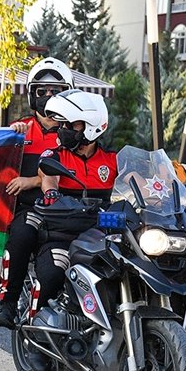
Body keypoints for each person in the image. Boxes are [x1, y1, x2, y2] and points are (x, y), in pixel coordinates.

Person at [0, 57, 75, 329]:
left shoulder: (79, 131)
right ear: (31, 94)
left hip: (69, 210)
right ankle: (8, 302)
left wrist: (31, 180)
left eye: (56, 91)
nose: (48, 97)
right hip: (29, 210)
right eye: (42, 91)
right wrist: (9, 138)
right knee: (21, 235)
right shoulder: (20, 129)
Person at [27, 90, 117, 311]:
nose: (63, 130)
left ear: (91, 127)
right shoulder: (54, 155)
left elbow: (139, 180)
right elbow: (49, 178)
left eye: (71, 125)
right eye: (63, 125)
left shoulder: (113, 159)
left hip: (101, 235)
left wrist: (168, 178)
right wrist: (51, 193)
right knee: (53, 272)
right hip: (63, 233)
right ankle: (36, 317)